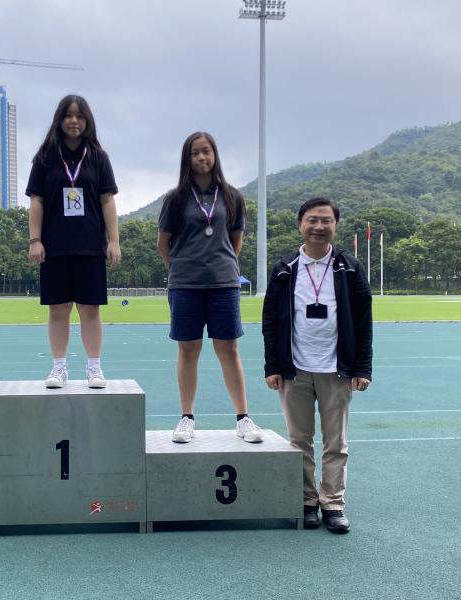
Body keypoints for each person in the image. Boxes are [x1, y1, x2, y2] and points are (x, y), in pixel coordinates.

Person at [262, 197, 372, 533]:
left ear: (335, 225)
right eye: (312, 220)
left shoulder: (350, 268)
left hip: (336, 370)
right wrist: (272, 365)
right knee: (299, 441)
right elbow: (270, 319)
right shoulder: (284, 269)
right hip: (294, 369)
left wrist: (362, 368)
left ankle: (333, 503)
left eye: (326, 220)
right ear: (300, 224)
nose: (319, 227)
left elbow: (363, 319)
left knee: (336, 443)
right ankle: (307, 501)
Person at [157, 132, 263, 445]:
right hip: (185, 285)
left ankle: (243, 418)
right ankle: (187, 417)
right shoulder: (175, 199)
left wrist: (219, 266)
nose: (202, 158)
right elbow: (163, 244)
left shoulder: (232, 196)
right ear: (187, 159)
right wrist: (180, 269)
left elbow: (236, 242)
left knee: (228, 349)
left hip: (223, 284)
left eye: (207, 152)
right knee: (188, 349)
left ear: (215, 155)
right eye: (195, 153)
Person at [26, 94, 121, 389]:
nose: (74, 121)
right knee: (58, 308)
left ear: (88, 121)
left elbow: (107, 201)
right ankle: (59, 367)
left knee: (91, 309)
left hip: (90, 245)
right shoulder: (44, 158)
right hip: (54, 247)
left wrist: (114, 240)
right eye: (68, 115)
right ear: (59, 119)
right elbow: (37, 202)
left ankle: (94, 367)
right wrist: (35, 240)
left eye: (80, 116)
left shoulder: (98, 157)